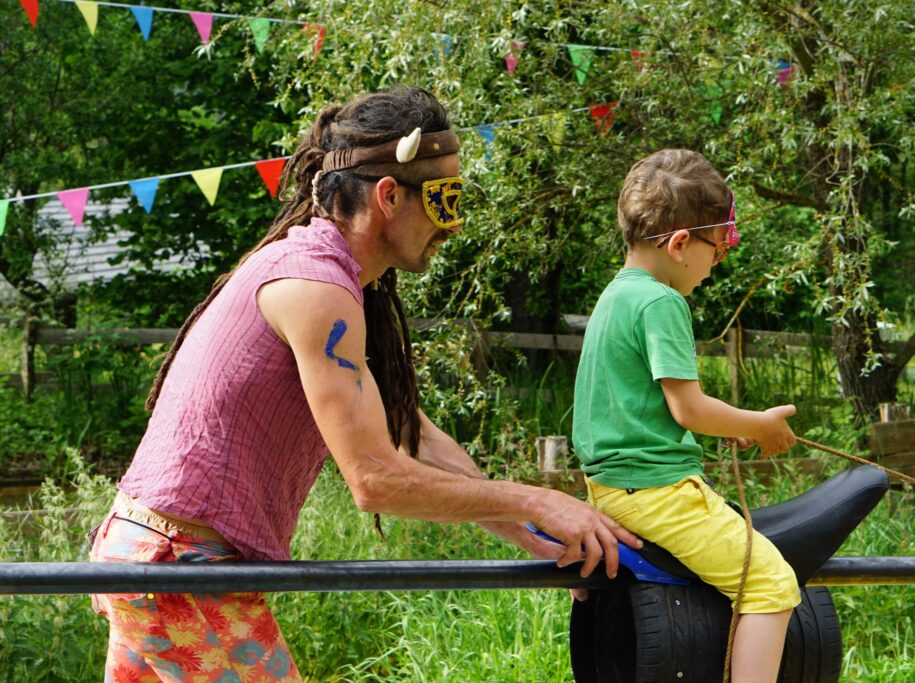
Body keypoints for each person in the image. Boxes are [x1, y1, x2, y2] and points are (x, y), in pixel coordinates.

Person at [88, 85, 640, 682]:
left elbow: (412, 439)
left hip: (151, 554)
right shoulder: (316, 287)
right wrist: (537, 499)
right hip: (179, 566)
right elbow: (375, 480)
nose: (453, 226)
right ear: (389, 196)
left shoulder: (328, 276)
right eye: (445, 200)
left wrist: (534, 537)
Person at [572, 149, 801, 683]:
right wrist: (758, 424)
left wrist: (732, 425)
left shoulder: (615, 296)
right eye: (716, 250)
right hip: (657, 493)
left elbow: (641, 407)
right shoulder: (662, 303)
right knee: (771, 584)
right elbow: (689, 408)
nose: (715, 264)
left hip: (608, 489)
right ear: (679, 245)